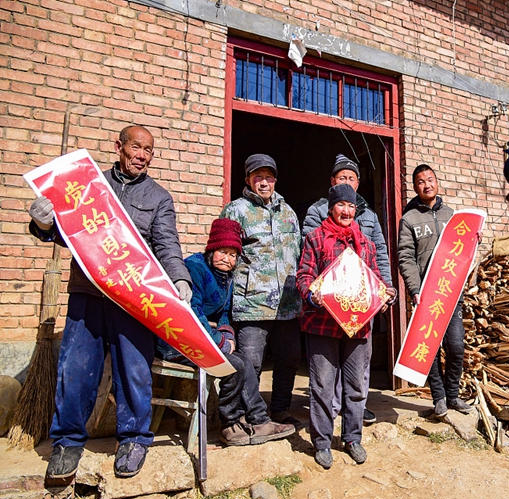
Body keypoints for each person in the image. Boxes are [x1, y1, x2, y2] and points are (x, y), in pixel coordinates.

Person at [28, 125, 193, 479]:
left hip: (135, 298)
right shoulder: (89, 187)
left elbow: (166, 244)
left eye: (149, 151)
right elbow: (66, 231)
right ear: (118, 147)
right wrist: (43, 223)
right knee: (75, 370)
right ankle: (67, 442)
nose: (143, 155)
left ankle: (134, 439)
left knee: (134, 372)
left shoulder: (158, 197)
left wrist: (180, 278)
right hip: (88, 294)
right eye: (137, 147)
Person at [156, 218, 295, 445]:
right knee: (235, 365)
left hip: (202, 341)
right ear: (212, 250)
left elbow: (223, 313)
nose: (228, 259)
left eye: (233, 255)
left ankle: (258, 421)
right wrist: (219, 342)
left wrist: (227, 336)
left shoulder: (226, 278)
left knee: (245, 361)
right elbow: (193, 313)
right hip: (176, 342)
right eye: (222, 252)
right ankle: (229, 425)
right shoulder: (195, 268)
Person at [296, 184, 397, 469]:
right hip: (322, 326)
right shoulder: (315, 239)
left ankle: (352, 438)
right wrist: (311, 295)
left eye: (351, 206)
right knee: (322, 387)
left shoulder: (366, 243)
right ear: (331, 208)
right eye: (341, 205)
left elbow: (377, 279)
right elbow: (303, 275)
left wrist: (387, 294)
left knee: (355, 386)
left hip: (359, 326)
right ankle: (323, 442)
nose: (347, 211)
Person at [220, 154, 303, 428]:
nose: (264, 182)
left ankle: (279, 409)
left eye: (268, 177)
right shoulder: (236, 210)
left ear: (275, 180)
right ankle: (250, 416)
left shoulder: (288, 212)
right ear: (248, 180)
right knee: (251, 363)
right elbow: (223, 253)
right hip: (251, 303)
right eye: (258, 177)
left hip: (287, 303)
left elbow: (299, 253)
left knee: (289, 359)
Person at [397, 164, 474, 418]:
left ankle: (453, 395)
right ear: (415, 186)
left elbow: (462, 251)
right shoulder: (409, 220)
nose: (427, 185)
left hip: (450, 295)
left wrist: (475, 239)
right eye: (421, 181)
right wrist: (414, 289)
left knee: (455, 346)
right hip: (425, 296)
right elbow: (405, 256)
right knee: (429, 348)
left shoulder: (454, 216)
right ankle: (439, 397)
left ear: (437, 182)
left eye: (430, 179)